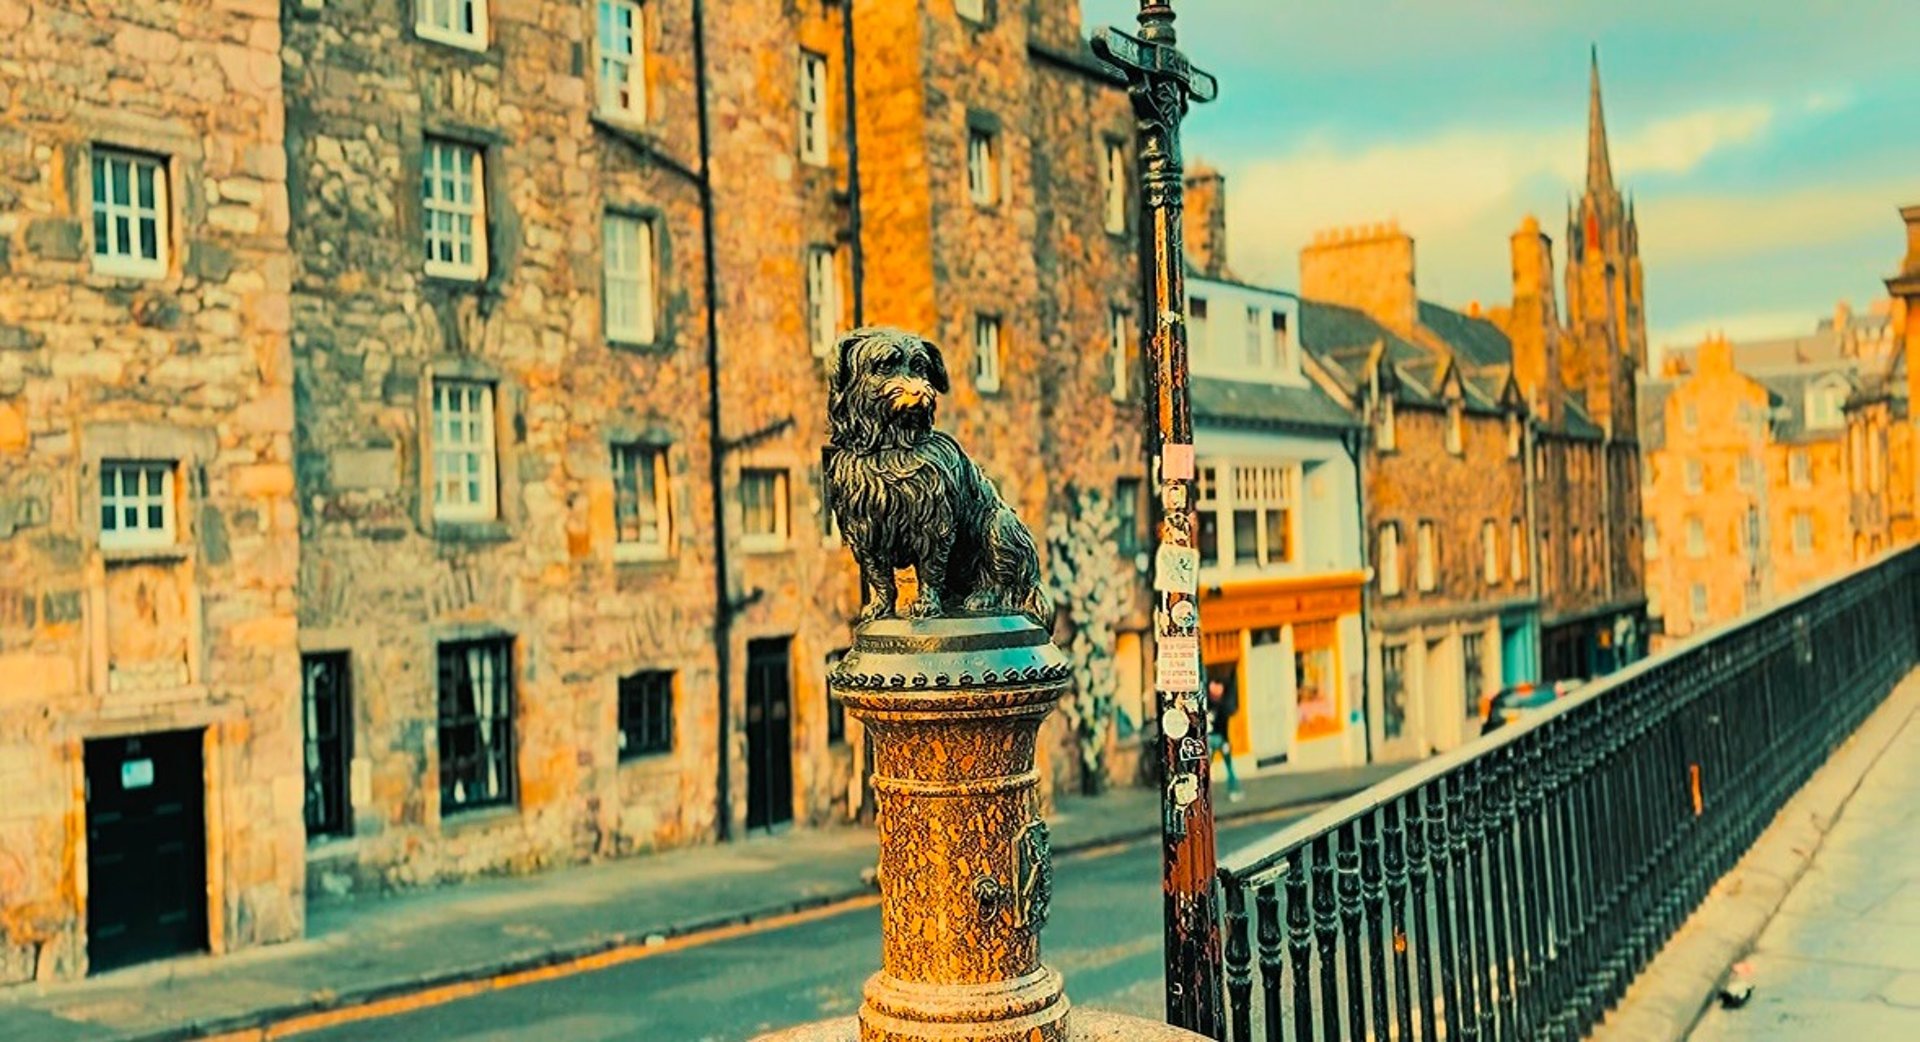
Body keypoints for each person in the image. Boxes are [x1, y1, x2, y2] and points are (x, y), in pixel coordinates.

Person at [1206, 676, 1244, 802]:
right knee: (1227, 767)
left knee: (1209, 769)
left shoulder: (1210, 705)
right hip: (1217, 739)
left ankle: (1207, 796)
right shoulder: (1220, 706)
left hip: (1213, 738)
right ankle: (1233, 791)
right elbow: (1224, 725)